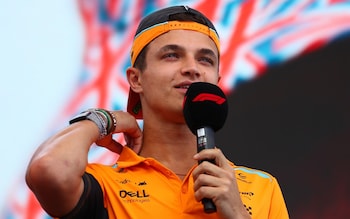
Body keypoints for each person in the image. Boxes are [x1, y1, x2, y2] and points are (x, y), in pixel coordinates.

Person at [25, 5, 289, 219]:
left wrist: (237, 213)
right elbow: (48, 170)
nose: (192, 68)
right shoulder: (106, 185)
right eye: (172, 55)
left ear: (217, 79)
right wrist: (106, 119)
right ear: (136, 79)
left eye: (205, 59)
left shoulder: (261, 187)